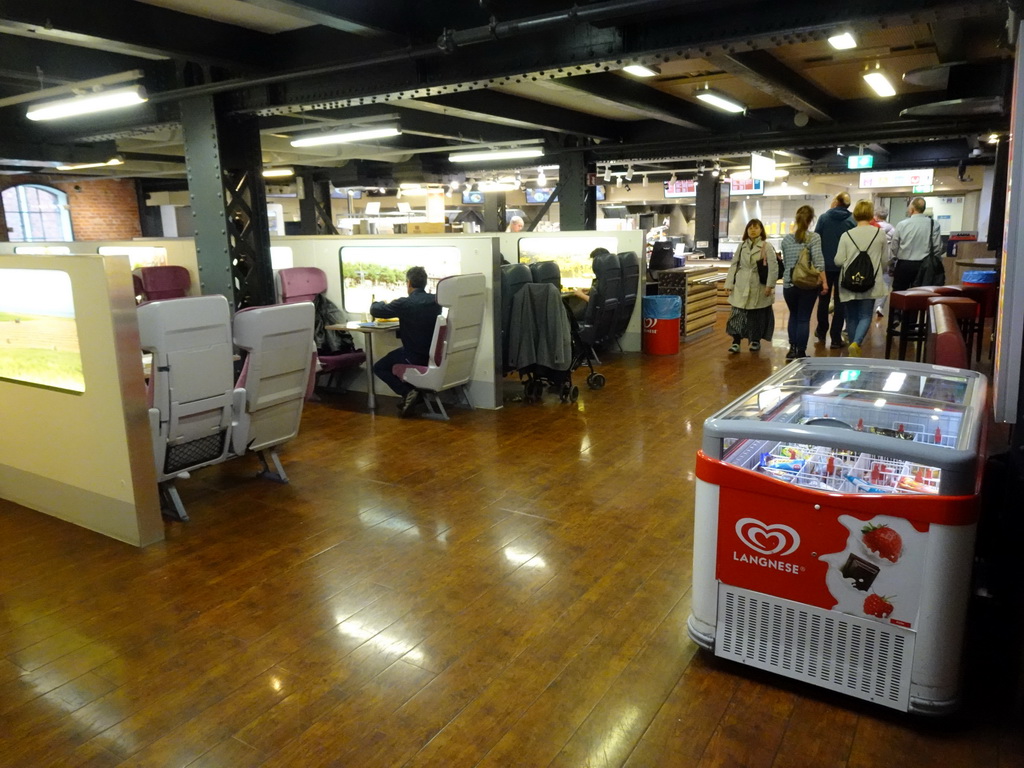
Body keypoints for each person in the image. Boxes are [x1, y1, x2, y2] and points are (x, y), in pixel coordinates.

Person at [369, 266, 442, 416]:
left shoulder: (405, 304)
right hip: (432, 354)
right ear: (425, 283)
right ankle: (416, 395)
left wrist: (378, 302)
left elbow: (376, 311)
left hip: (412, 354)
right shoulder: (436, 301)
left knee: (379, 367)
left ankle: (408, 392)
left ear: (408, 283)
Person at [835, 200, 889, 357]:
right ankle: (856, 343)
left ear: (855, 214)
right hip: (870, 282)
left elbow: (838, 260)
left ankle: (853, 348)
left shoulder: (846, 235)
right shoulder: (880, 233)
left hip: (848, 282)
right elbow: (885, 260)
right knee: (865, 315)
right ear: (871, 214)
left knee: (851, 317)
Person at [725, 218, 781, 354]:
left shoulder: (766, 246)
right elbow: (734, 264)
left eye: (756, 228)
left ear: (761, 230)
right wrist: (729, 283)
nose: (753, 230)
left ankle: (755, 340)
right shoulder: (742, 245)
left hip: (758, 284)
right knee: (737, 313)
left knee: (756, 315)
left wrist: (770, 285)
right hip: (741, 283)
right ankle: (736, 341)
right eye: (750, 228)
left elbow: (773, 268)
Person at [779, 205, 827, 360]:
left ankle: (791, 349)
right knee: (803, 318)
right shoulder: (814, 238)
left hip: (789, 284)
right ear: (811, 220)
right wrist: (825, 283)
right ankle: (800, 351)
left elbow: (787, 262)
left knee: (793, 315)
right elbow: (819, 263)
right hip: (807, 284)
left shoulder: (786, 240)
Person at [814, 192, 856, 349]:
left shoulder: (824, 218)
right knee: (841, 302)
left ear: (837, 202)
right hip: (844, 267)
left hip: (825, 267)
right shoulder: (852, 220)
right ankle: (836, 337)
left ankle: (821, 331)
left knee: (823, 300)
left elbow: (816, 240)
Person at [890, 197, 942, 291]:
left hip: (904, 265)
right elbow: (937, 247)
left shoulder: (902, 224)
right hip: (924, 266)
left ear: (911, 209)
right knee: (921, 295)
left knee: (900, 294)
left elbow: (894, 246)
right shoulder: (934, 224)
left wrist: (892, 262)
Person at [571, 247, 611, 320]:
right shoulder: (609, 277)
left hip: (592, 317)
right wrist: (590, 291)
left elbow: (597, 303)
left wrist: (581, 294)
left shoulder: (604, 280)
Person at [873, 208, 896, 317]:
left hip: (873, 259)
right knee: (885, 284)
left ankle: (870, 305)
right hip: (887, 260)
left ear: (876, 216)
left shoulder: (872, 228)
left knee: (872, 283)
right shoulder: (892, 229)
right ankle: (879, 306)